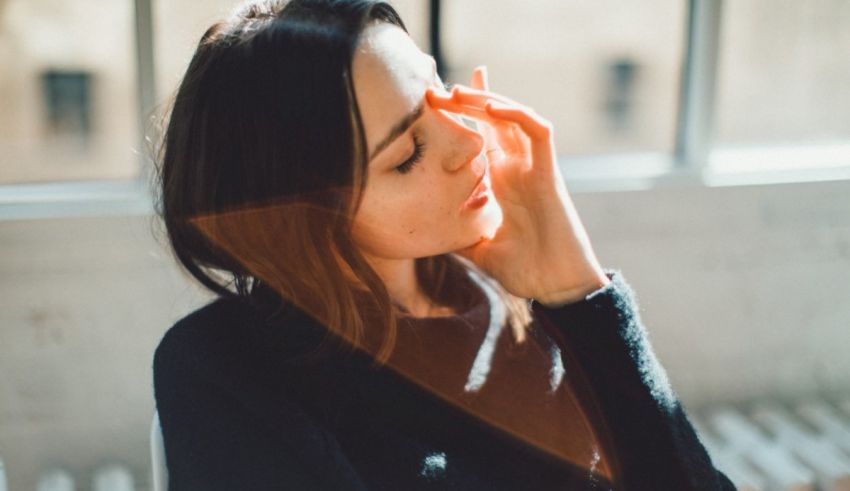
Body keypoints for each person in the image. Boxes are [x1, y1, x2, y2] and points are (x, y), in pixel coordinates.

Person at [151, 0, 736, 489]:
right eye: (408, 155)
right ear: (300, 218)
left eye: (440, 92)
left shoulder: (507, 308)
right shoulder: (224, 369)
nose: (467, 140)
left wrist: (580, 292)